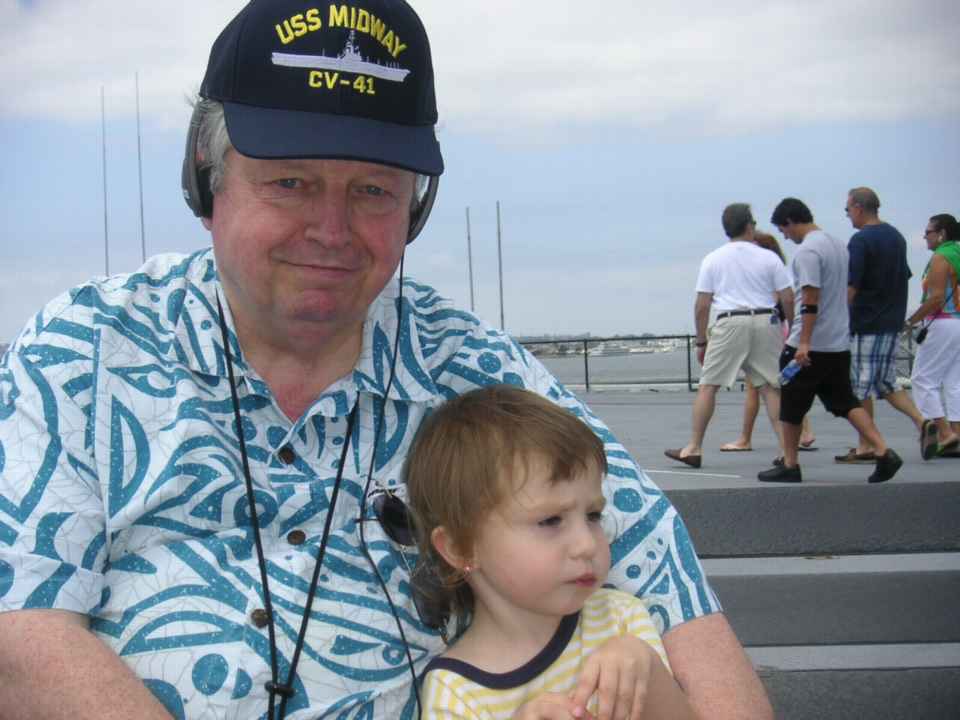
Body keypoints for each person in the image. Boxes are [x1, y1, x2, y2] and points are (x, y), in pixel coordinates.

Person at [0, 1, 773, 719]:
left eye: (373, 190)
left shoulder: (481, 375)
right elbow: (19, 630)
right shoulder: (85, 350)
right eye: (291, 182)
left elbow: (675, 602)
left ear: (416, 207)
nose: (331, 230)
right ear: (209, 184)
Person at [407, 385, 698, 720]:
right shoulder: (456, 692)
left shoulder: (619, 619)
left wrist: (646, 667)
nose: (587, 544)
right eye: (550, 521)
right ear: (462, 547)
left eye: (592, 516)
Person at [759, 198, 903, 484]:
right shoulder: (839, 245)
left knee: (791, 404)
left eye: (783, 230)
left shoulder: (808, 251)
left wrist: (803, 343)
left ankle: (790, 464)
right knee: (845, 401)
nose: (785, 237)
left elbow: (810, 297)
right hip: (838, 342)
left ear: (790, 221)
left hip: (811, 343)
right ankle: (884, 450)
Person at [666, 203, 793, 468]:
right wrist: (791, 326)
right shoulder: (769, 257)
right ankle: (786, 452)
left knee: (708, 386)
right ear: (750, 225)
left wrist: (701, 340)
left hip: (730, 321)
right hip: (765, 319)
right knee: (771, 388)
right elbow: (787, 296)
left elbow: (702, 305)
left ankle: (694, 447)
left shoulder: (713, 259)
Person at [836, 187, 924, 464]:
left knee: (858, 387)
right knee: (886, 384)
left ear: (859, 208)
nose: (848, 215)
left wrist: (839, 317)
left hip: (866, 322)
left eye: (848, 210)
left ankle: (867, 445)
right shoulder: (896, 237)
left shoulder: (860, 241)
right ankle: (924, 423)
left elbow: (852, 285)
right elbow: (903, 277)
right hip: (891, 321)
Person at [721, 231, 817, 453]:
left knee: (760, 388)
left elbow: (778, 304)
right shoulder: (776, 271)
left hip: (769, 333)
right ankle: (804, 431)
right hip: (780, 331)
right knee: (781, 385)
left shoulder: (764, 277)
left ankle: (746, 438)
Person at [905, 213, 960, 459]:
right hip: (958, 323)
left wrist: (911, 321)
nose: (924, 237)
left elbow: (936, 298)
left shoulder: (941, 257)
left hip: (942, 323)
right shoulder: (957, 254)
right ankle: (957, 435)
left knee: (921, 379)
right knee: (953, 382)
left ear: (942, 234)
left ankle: (945, 433)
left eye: (928, 232)